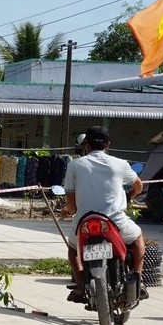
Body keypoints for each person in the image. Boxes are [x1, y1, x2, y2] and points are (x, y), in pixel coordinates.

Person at [61, 126, 147, 303]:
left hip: (84, 223)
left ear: (86, 144)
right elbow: (139, 185)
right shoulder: (121, 164)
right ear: (108, 145)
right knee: (138, 239)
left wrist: (70, 211)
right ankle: (138, 278)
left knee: (72, 250)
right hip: (115, 222)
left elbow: (70, 202)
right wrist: (130, 196)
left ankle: (79, 286)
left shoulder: (75, 165)